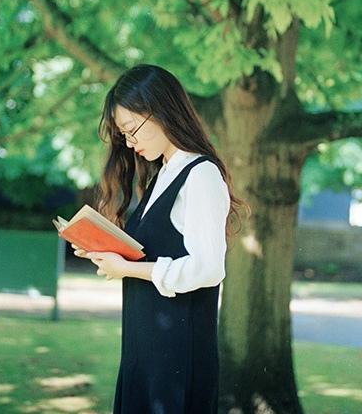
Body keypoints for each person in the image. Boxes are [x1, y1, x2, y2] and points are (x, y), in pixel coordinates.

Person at [72, 63, 249, 414]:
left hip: (176, 360)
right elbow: (157, 252)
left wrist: (127, 269)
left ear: (160, 112)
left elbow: (208, 269)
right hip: (146, 350)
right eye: (122, 134)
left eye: (131, 129)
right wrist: (105, 251)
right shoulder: (163, 175)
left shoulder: (200, 175)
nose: (128, 141)